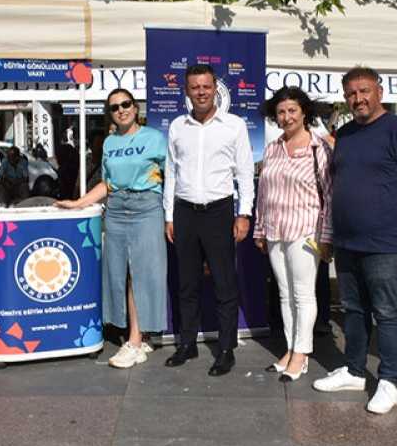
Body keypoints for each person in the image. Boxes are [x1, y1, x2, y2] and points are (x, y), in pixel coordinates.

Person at [311, 66, 397, 415]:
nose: (358, 98)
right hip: (348, 240)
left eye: (364, 91)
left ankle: (390, 381)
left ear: (379, 91)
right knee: (353, 309)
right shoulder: (346, 134)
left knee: (387, 311)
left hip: (384, 242)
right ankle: (354, 369)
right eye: (351, 93)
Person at [57, 89, 168, 368]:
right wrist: (78, 203)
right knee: (120, 274)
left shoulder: (154, 138)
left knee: (143, 274)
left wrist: (172, 215)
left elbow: (172, 177)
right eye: (115, 107)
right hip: (116, 209)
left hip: (146, 207)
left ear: (136, 107)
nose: (121, 110)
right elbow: (106, 184)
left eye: (126, 104)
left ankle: (134, 341)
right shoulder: (109, 142)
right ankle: (138, 336)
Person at [163, 64, 255, 377]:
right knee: (186, 283)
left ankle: (226, 349)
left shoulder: (234, 125)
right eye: (195, 87)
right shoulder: (178, 126)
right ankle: (187, 344)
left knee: (224, 283)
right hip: (184, 212)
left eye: (206, 86)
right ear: (186, 91)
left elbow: (245, 173)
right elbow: (171, 173)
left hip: (219, 211)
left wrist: (244, 213)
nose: (201, 92)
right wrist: (168, 215)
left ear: (215, 88)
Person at [254, 87, 333, 382]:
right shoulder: (272, 148)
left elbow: (330, 195)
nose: (286, 117)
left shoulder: (318, 148)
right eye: (281, 112)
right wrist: (260, 229)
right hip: (275, 229)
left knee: (303, 293)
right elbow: (264, 192)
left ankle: (301, 353)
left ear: (304, 113)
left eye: (292, 111)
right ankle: (290, 349)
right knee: (284, 293)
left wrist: (327, 236)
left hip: (306, 229)